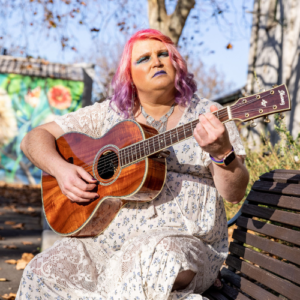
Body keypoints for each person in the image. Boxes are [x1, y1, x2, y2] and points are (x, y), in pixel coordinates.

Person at [17, 29, 249, 300]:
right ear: (128, 75)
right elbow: (33, 138)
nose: (157, 61)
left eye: (164, 54)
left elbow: (234, 193)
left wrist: (222, 152)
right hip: (105, 245)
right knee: (42, 271)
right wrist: (61, 169)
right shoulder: (107, 115)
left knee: (149, 257)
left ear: (177, 64)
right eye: (144, 58)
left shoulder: (210, 116)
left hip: (183, 247)